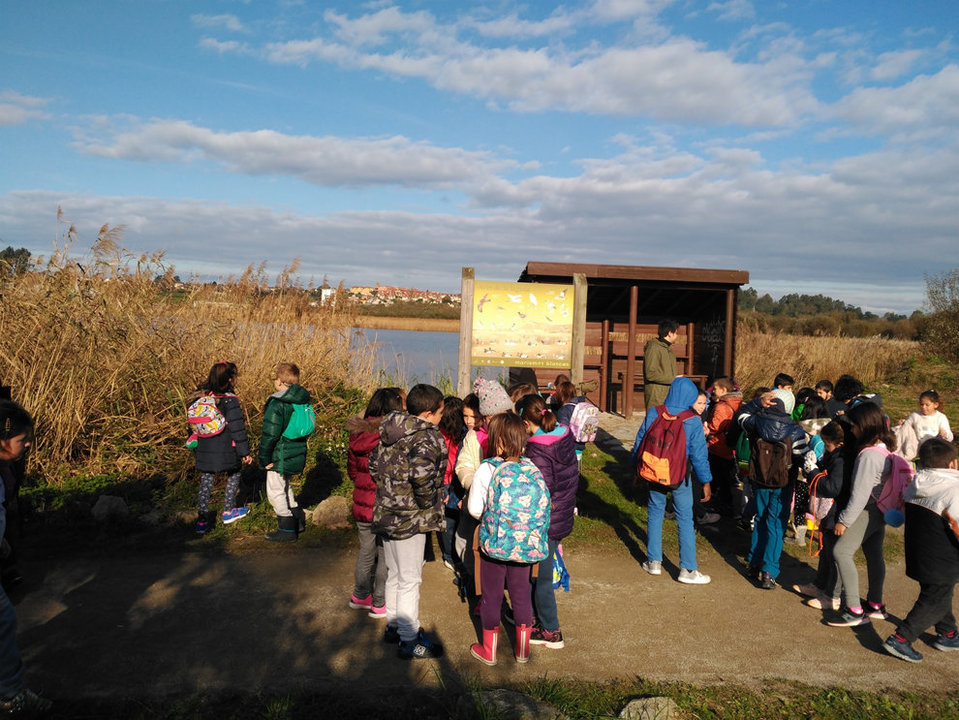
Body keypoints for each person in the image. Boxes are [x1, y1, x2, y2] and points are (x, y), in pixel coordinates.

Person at [370, 384, 447, 660]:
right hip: (411, 518)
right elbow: (422, 477)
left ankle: (394, 626)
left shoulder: (389, 430)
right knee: (410, 579)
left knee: (394, 573)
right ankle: (409, 638)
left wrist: (391, 489)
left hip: (387, 512)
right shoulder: (424, 437)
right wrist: (427, 504)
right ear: (427, 413)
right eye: (439, 413)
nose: (441, 418)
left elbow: (372, 465)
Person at [467, 413, 550, 665]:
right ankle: (523, 651)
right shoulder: (531, 468)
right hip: (526, 545)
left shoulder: (487, 469)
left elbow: (473, 509)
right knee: (521, 593)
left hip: (495, 544)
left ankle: (488, 651)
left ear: (498, 441)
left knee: (492, 596)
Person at [882, 437, 959, 663]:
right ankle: (901, 638)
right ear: (953, 463)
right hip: (943, 555)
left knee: (937, 593)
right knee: (935, 597)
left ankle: (948, 633)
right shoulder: (953, 489)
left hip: (919, 551)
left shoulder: (917, 483)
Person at [631, 376, 713, 584]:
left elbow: (640, 440)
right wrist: (706, 481)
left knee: (655, 512)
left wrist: (636, 468)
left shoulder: (655, 412)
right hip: (680, 476)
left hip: (654, 471)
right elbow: (699, 455)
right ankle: (687, 569)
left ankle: (654, 562)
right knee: (685, 518)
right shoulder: (692, 420)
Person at [0, 400, 53, 716]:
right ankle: (10, 696)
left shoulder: (5, 469)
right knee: (4, 620)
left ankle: (10, 691)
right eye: (22, 440)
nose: (29, 444)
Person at [516, 393, 578, 650]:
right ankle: (532, 617)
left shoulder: (537, 448)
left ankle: (551, 630)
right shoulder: (564, 434)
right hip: (563, 512)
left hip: (547, 521)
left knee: (540, 578)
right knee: (540, 571)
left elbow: (541, 490)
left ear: (526, 423)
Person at [827, 401, 895, 627]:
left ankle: (854, 608)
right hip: (882, 509)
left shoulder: (867, 456)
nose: (853, 430)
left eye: (855, 426)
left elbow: (860, 494)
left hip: (867, 510)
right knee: (874, 554)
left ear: (864, 426)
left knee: (841, 552)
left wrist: (844, 521)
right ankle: (875, 604)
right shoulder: (884, 448)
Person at [736, 388, 808, 589]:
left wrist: (758, 402)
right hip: (783, 484)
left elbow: (740, 415)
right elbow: (803, 457)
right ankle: (769, 571)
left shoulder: (755, 424)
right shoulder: (795, 431)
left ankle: (754, 563)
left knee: (760, 519)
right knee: (776, 525)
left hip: (759, 480)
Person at [346, 387, 405, 618]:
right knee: (385, 554)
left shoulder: (356, 434)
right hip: (385, 503)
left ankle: (360, 595)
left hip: (362, 503)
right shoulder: (391, 433)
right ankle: (380, 602)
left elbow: (352, 471)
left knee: (366, 552)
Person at [454, 379, 512, 605]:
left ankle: (495, 592)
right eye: (487, 418)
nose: (488, 422)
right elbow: (463, 465)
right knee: (466, 543)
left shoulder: (515, 434)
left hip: (506, 506)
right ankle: (476, 587)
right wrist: (473, 483)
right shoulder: (474, 437)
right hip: (476, 501)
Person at [190, 361, 252, 534]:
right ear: (230, 380)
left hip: (205, 449)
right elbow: (237, 428)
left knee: (206, 481)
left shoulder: (201, 399)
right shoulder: (230, 401)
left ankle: (201, 521)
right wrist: (244, 452)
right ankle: (228, 510)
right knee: (234, 473)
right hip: (226, 449)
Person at [794, 420, 846, 611]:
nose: (825, 447)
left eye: (828, 444)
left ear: (838, 443)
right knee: (825, 550)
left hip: (836, 511)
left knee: (834, 554)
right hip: (829, 512)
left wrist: (814, 470)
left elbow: (832, 487)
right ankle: (819, 585)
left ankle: (833, 595)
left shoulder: (841, 461)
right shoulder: (834, 456)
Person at [259, 362, 312, 542]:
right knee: (286, 486)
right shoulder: (302, 399)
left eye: (275, 378)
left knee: (275, 491)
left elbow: (270, 434)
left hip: (279, 453)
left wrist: (264, 457)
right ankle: (298, 520)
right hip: (296, 450)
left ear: (280, 381)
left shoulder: (278, 403)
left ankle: (287, 529)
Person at [706, 377, 742, 517]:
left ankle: (723, 505)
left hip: (718, 445)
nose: (713, 391)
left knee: (719, 476)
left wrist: (705, 427)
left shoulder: (722, 406)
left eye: (715, 389)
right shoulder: (738, 402)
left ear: (724, 390)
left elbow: (714, 427)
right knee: (725, 477)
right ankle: (724, 503)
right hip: (730, 446)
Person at [437, 395, 466, 571]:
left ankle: (452, 555)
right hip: (450, 482)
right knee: (450, 520)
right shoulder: (460, 433)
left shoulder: (442, 432)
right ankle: (450, 556)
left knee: (449, 521)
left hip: (451, 481)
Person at [895, 390, 954, 462]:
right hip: (917, 449)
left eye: (927, 405)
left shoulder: (941, 417)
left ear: (935, 405)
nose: (924, 407)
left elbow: (950, 437)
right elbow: (908, 425)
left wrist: (945, 434)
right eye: (921, 404)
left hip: (934, 451)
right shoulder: (915, 415)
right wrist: (903, 422)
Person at [643, 320, 679, 413]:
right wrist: (673, 379)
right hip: (656, 396)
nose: (677, 336)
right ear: (670, 333)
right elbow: (650, 374)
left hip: (667, 394)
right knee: (655, 424)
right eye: (676, 333)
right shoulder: (654, 348)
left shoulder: (668, 350)